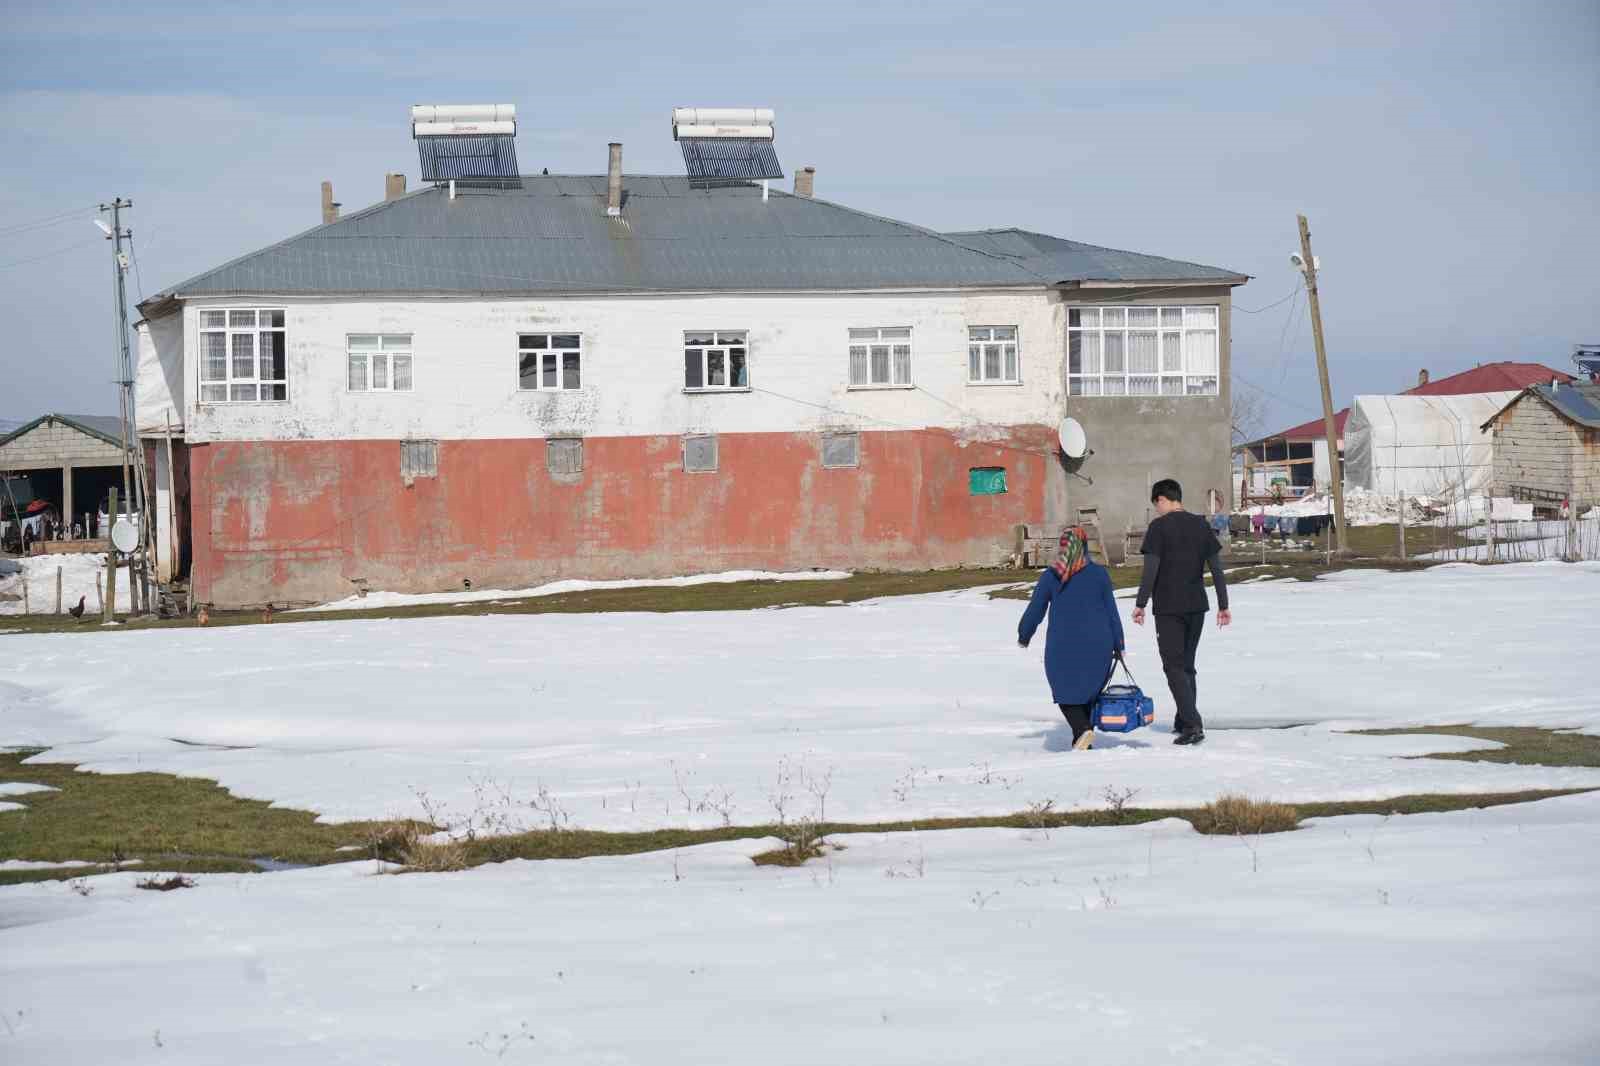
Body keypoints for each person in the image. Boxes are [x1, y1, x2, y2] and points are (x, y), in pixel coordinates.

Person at [1132, 479, 1231, 746]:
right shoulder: (1200, 524)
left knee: (1173, 666)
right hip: (1197, 605)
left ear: (1162, 499)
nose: (1157, 510)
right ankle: (1183, 719)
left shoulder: (1158, 528)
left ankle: (1192, 724)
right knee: (1187, 665)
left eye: (1157, 504)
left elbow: (1150, 570)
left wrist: (1140, 603)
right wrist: (1224, 604)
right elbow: (1216, 568)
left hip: (1168, 607)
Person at [1017, 526, 1126, 751]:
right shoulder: (1099, 574)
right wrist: (1119, 643)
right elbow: (1111, 612)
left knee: (1064, 691)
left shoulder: (1052, 576)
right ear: (1084, 546)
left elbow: (1035, 609)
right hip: (1100, 644)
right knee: (1088, 691)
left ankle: (1082, 731)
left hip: (1063, 645)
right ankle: (1082, 741)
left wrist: (1024, 634)